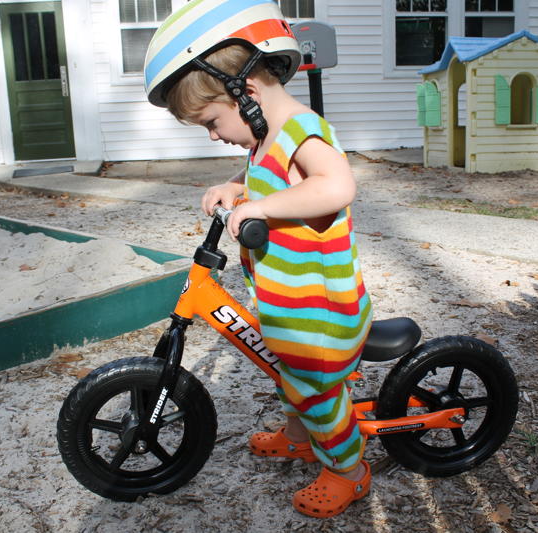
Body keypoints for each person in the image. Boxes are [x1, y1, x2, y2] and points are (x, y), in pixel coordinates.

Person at [143, 0, 373, 518]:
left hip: (322, 310)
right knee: (286, 373)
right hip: (288, 302)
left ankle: (348, 471)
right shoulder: (266, 141)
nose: (213, 134)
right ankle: (297, 438)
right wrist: (237, 187)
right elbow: (268, 179)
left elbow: (336, 184)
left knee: (316, 391)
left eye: (211, 121)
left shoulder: (301, 130)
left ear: (245, 94)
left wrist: (263, 208)